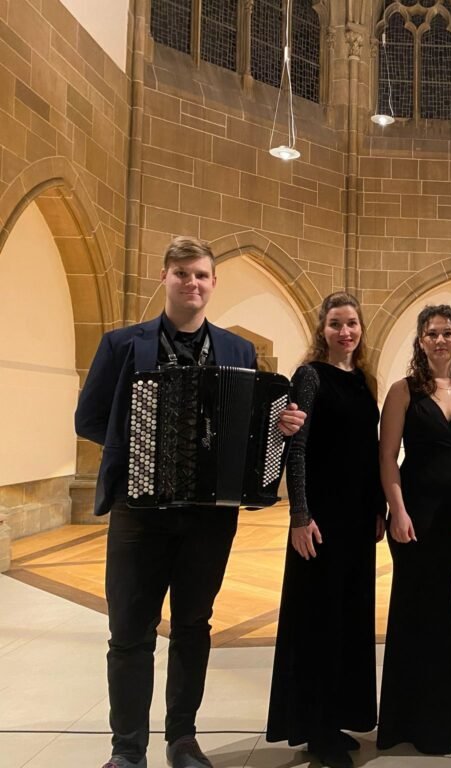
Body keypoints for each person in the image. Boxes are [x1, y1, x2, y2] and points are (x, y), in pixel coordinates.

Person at [74, 236, 305, 768]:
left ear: (213, 282)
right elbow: (88, 419)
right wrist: (140, 446)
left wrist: (283, 425)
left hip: (208, 517)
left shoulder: (237, 350)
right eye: (181, 273)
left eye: (200, 274)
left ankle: (182, 739)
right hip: (139, 512)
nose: (192, 283)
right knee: (129, 632)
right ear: (165, 278)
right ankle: (127, 750)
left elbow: (255, 425)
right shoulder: (121, 344)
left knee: (193, 627)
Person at [266, 292, 385, 768]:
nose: (345, 331)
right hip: (320, 521)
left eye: (352, 323)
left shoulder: (364, 380)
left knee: (348, 619)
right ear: (323, 329)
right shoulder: (310, 376)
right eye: (336, 323)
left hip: (356, 521)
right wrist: (299, 516)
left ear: (361, 328)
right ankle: (317, 728)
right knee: (318, 622)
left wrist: (377, 509)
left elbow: (369, 450)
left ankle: (335, 718)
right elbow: (297, 448)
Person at [376, 305, 451, 755]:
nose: (440, 340)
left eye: (447, 333)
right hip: (417, 516)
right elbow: (388, 457)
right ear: (420, 341)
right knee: (419, 613)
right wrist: (397, 510)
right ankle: (416, 721)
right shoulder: (403, 391)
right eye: (431, 333)